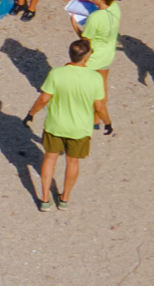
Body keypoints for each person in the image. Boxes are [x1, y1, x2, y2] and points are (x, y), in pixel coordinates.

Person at [22, 39, 113, 211]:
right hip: (79, 129)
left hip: (55, 125)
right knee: (72, 162)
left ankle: (45, 198)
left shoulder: (56, 73)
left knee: (49, 158)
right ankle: (64, 198)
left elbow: (43, 99)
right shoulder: (95, 78)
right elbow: (100, 106)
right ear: (87, 57)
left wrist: (31, 114)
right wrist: (108, 123)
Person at [70, 0, 121, 117]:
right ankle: (97, 118)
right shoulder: (115, 7)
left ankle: (83, 115)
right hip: (108, 54)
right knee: (102, 87)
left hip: (93, 58)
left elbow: (85, 41)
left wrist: (74, 25)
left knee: (83, 89)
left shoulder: (95, 18)